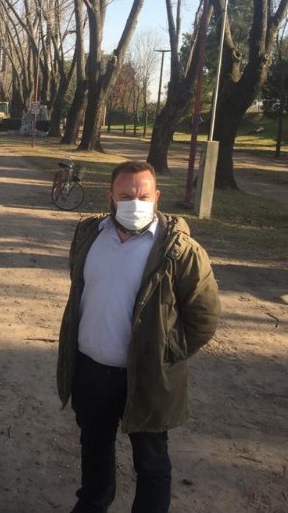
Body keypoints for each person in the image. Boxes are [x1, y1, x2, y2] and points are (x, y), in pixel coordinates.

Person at [56, 160, 220, 513]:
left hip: (145, 376)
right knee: (94, 448)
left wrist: (166, 351)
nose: (136, 202)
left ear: (157, 196)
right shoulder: (89, 235)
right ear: (111, 196)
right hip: (90, 370)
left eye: (144, 195)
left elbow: (204, 317)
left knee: (151, 461)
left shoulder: (180, 250)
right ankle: (93, 504)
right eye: (126, 195)